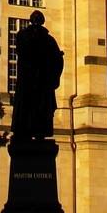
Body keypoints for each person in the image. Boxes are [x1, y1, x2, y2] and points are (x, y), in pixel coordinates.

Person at [11, 10, 64, 140]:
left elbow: (57, 60)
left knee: (33, 108)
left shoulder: (24, 35)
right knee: (35, 108)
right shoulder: (46, 39)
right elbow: (57, 60)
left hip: (33, 80)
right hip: (36, 80)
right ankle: (31, 131)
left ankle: (31, 131)